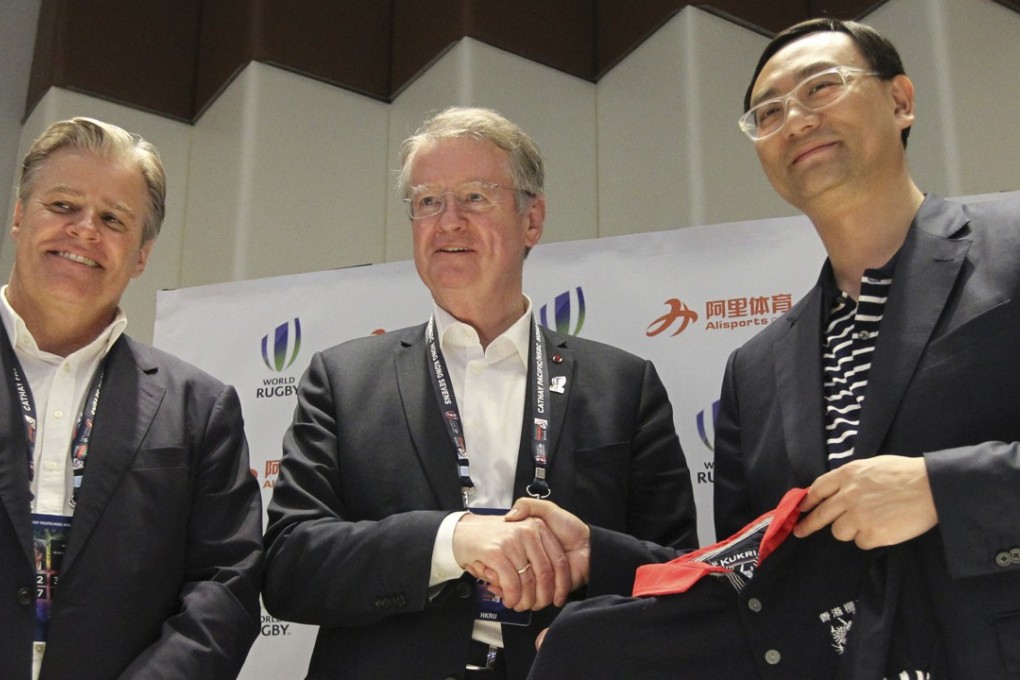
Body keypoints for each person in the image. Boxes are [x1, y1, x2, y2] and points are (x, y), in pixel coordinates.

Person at [522, 18, 1020, 679]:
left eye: (822, 87)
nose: (797, 119)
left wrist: (943, 490)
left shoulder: (1009, 250)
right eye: (769, 111)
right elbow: (761, 574)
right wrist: (602, 560)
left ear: (901, 100)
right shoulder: (755, 370)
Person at [262, 106, 698, 680]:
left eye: (474, 197)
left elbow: (682, 577)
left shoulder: (623, 384)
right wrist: (451, 539)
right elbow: (290, 569)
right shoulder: (342, 380)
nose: (448, 222)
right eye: (427, 202)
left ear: (532, 220)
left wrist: (594, 556)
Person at [0, 117, 263, 680]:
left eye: (113, 219)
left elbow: (225, 590)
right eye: (64, 205)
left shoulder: (200, 408)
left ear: (141, 255)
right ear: (19, 217)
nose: (85, 230)